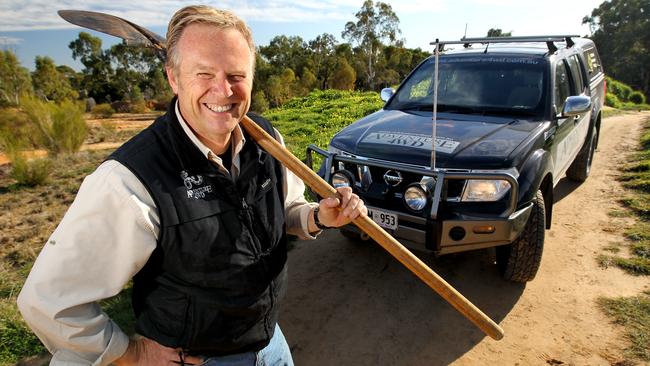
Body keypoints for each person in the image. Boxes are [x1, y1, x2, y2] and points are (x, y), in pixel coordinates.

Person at [17, 5, 367, 366]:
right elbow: (48, 301)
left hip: (271, 345)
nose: (223, 90)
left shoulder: (267, 141)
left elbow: (288, 211)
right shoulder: (130, 179)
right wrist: (132, 353)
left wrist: (319, 216)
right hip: (199, 359)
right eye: (204, 73)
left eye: (236, 74)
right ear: (173, 78)